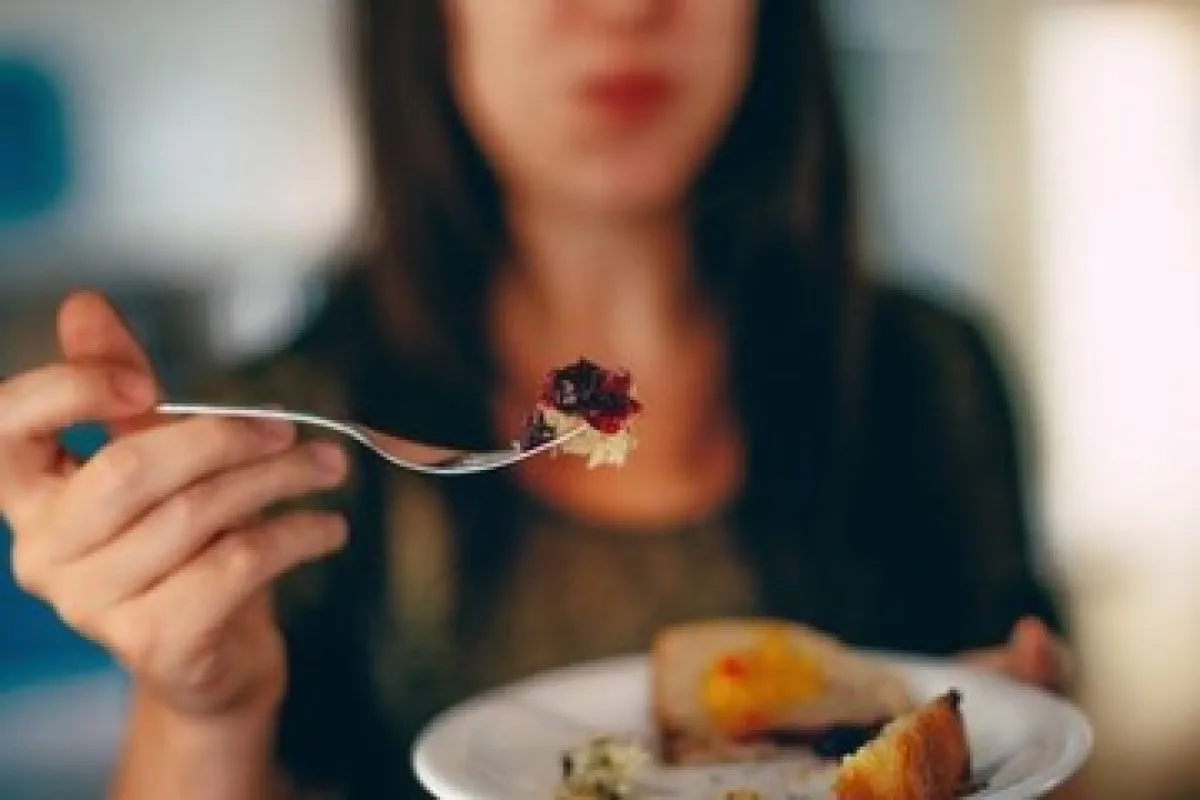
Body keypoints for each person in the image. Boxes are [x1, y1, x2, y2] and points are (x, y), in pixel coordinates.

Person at [0, 1, 1073, 797]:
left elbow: (1028, 746)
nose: (623, 9)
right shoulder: (271, 438)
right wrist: (208, 705)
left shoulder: (931, 369)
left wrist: (998, 732)